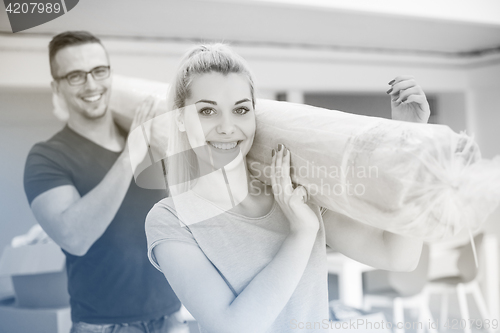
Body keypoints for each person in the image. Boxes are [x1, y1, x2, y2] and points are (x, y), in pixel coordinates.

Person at [145, 44, 428, 333]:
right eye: (207, 111)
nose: (227, 127)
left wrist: (411, 140)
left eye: (241, 109)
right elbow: (233, 327)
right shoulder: (171, 220)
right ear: (180, 118)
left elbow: (398, 256)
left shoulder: (294, 192)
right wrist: (302, 233)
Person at [23, 31, 187, 333]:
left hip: (170, 317)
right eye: (75, 76)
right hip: (104, 326)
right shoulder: (47, 157)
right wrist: (129, 157)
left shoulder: (152, 139)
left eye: (99, 71)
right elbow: (74, 238)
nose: (92, 84)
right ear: (56, 87)